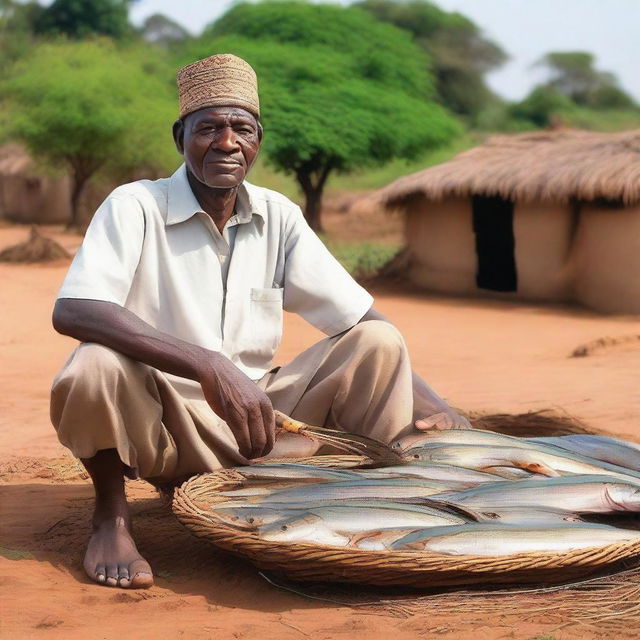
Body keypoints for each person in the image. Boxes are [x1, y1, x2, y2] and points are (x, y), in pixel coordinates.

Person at [50, 54, 471, 590]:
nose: (226, 143)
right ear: (180, 137)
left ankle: (385, 504)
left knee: (379, 340)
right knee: (92, 365)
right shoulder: (136, 205)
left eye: (241, 129)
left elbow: (357, 315)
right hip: (164, 417)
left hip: (262, 421)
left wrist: (433, 402)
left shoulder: (279, 214)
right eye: (209, 129)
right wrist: (208, 365)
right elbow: (76, 309)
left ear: (258, 141)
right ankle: (111, 516)